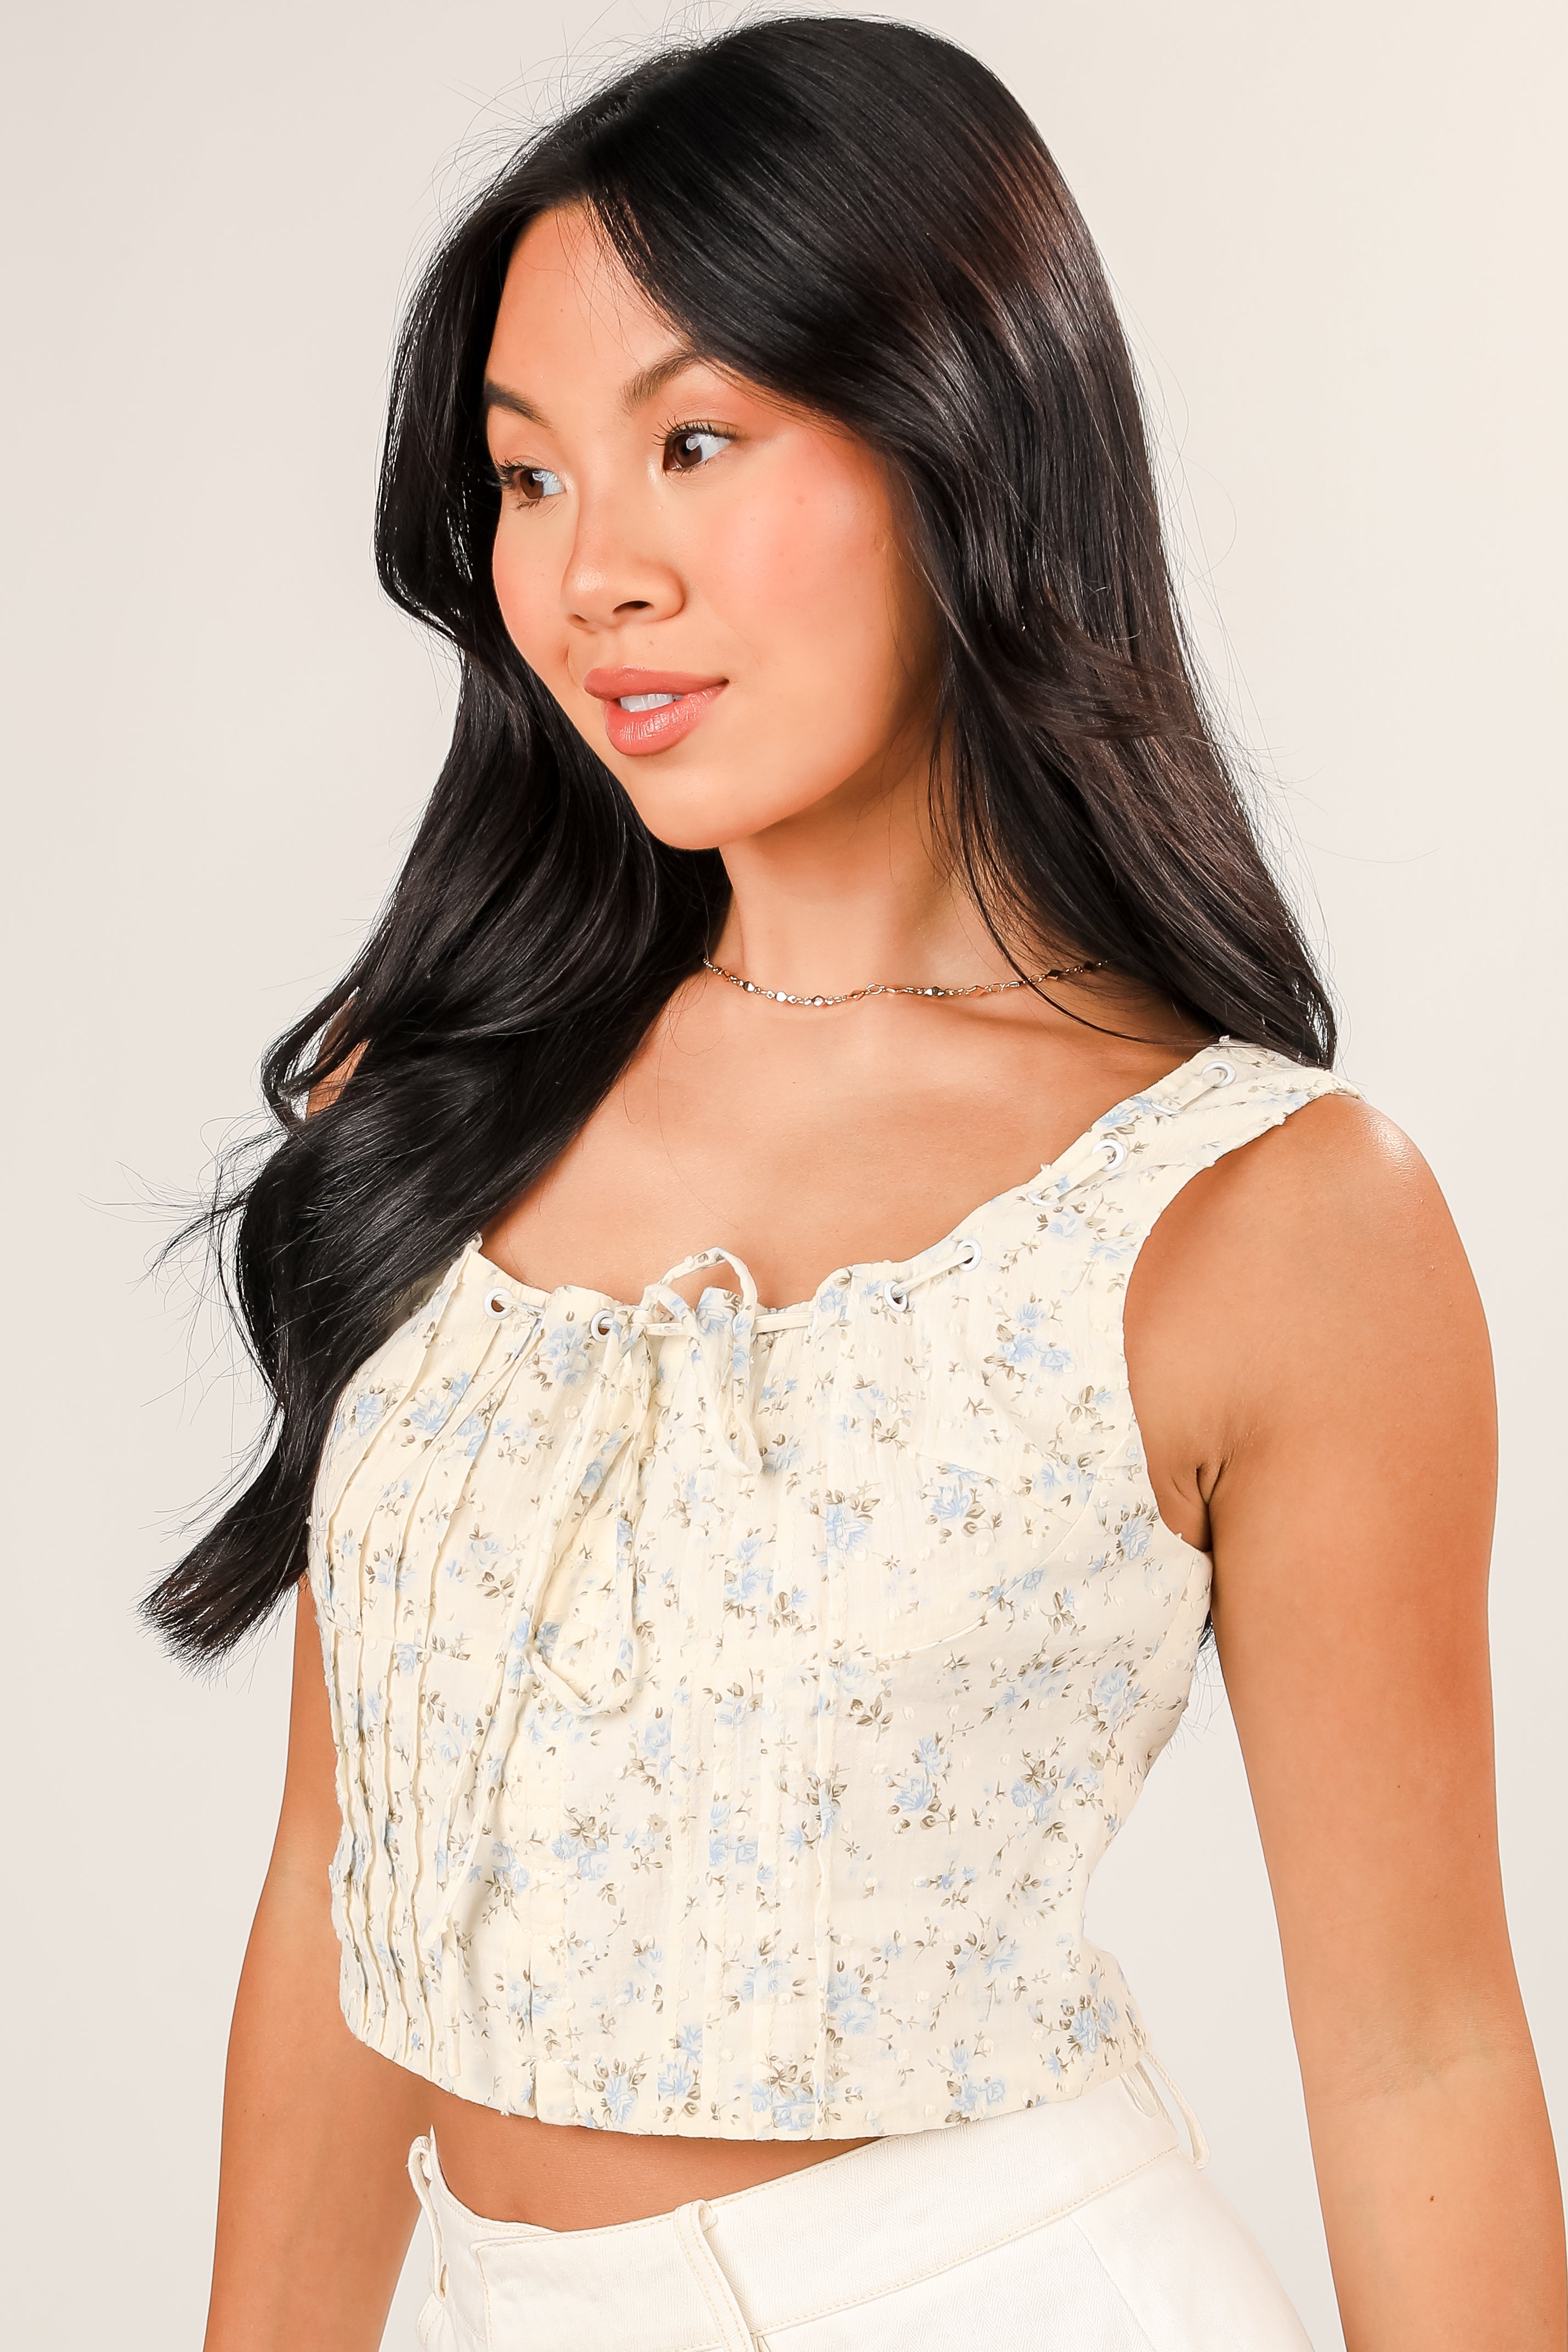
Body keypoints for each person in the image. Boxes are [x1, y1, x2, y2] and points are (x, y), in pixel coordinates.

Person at [152, 18, 1563, 2350]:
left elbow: (1423, 2048)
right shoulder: (436, 1101)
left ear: (958, 441)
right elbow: (335, 1896)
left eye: (692, 441)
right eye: (522, 478)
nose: (590, 571)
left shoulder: (1269, 1215)